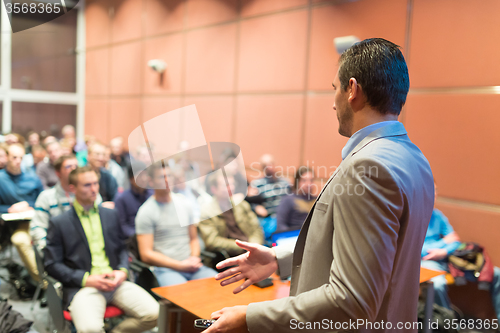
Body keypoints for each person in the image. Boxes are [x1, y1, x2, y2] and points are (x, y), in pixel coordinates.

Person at [206, 38, 435, 333]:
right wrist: (279, 258)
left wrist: (250, 317)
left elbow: (351, 301)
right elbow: (376, 255)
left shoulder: (368, 167)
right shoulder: (414, 158)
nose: (333, 101)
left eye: (335, 88)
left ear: (352, 90)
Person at [44, 166, 159, 332]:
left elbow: (122, 249)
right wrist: (85, 279)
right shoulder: (60, 222)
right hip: (84, 286)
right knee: (90, 329)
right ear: (72, 188)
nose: (94, 189)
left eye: (96, 184)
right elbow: (52, 264)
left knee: (155, 314)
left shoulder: (110, 214)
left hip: (115, 281)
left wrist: (122, 271)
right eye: (87, 185)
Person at [421, 186, 500, 320]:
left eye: (435, 190)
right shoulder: (413, 217)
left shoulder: (438, 215)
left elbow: (456, 242)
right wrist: (445, 242)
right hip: (427, 263)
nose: (434, 194)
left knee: (497, 273)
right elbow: (420, 250)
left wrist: (443, 251)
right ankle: (448, 325)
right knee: (437, 284)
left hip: (448, 260)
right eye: (430, 189)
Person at [135, 163, 217, 286]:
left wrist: (193, 259)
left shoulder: (184, 203)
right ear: (151, 182)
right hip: (167, 269)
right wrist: (179, 265)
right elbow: (146, 254)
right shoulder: (146, 212)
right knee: (184, 294)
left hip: (191, 266)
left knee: (220, 283)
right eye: (162, 177)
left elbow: (193, 238)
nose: (167, 180)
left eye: (169, 175)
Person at [0, 143, 44, 281]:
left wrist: (28, 205)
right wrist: (10, 209)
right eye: (14, 157)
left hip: (36, 219)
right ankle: (44, 282)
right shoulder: (1, 178)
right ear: (6, 157)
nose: (18, 161)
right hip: (14, 224)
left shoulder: (32, 178)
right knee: (20, 240)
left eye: (21, 157)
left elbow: (42, 200)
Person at [199, 173, 264, 258]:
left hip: (252, 250)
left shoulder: (242, 204)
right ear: (214, 189)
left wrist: (253, 245)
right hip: (229, 256)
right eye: (226, 185)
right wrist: (244, 246)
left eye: (232, 184)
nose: (231, 188)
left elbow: (256, 228)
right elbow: (212, 241)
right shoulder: (207, 212)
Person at [114, 161, 152, 241]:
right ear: (131, 179)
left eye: (145, 174)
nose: (144, 178)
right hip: (133, 241)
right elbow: (122, 226)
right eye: (140, 175)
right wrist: (140, 236)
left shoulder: (152, 195)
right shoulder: (122, 199)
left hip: (153, 235)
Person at [276, 166, 316, 232]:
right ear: (297, 182)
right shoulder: (288, 200)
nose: (308, 184)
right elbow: (281, 225)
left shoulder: (317, 201)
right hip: (293, 237)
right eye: (304, 180)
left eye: (311, 181)